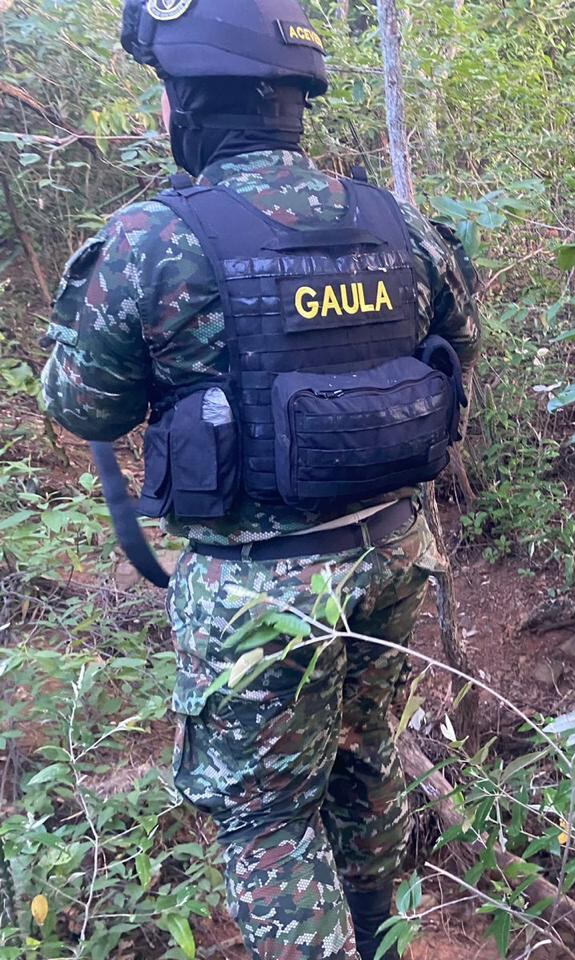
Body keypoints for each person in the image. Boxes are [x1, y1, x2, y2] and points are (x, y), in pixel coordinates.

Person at [40, 2, 480, 958]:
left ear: (185, 101)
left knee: (269, 821)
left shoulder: (156, 237)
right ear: (293, 101)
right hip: (395, 555)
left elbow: (83, 409)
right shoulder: (394, 220)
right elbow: (458, 354)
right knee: (368, 772)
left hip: (258, 593)